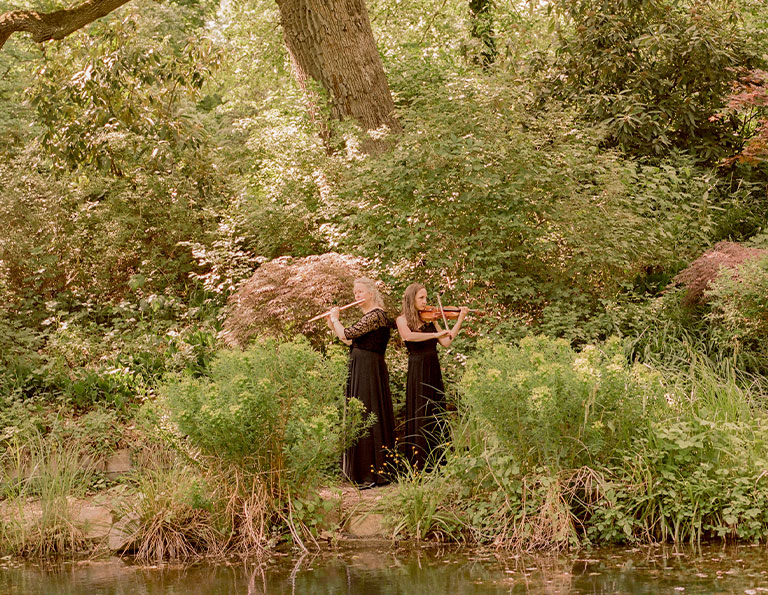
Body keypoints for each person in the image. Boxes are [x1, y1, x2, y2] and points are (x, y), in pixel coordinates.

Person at [327, 278, 395, 489]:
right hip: (361, 368)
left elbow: (347, 333)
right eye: (355, 293)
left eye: (360, 292)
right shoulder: (368, 317)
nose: (356, 296)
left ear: (372, 294)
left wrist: (337, 320)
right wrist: (333, 324)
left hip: (369, 371)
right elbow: (349, 340)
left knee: (368, 413)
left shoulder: (377, 315)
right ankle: (360, 471)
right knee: (360, 414)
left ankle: (372, 472)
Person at [396, 283, 467, 471]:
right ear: (411, 299)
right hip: (417, 367)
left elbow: (446, 341)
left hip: (433, 366)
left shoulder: (431, 319)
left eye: (426, 298)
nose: (425, 302)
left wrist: (459, 319)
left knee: (435, 410)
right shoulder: (402, 320)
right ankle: (419, 463)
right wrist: (435, 333)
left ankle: (438, 461)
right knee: (420, 410)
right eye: (421, 298)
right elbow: (409, 337)